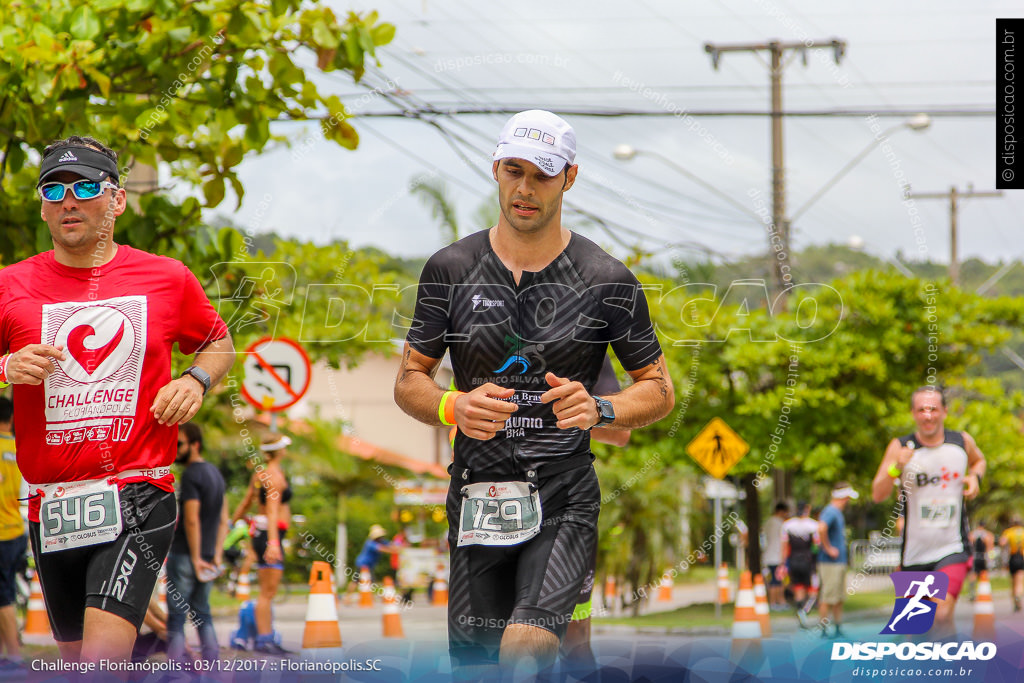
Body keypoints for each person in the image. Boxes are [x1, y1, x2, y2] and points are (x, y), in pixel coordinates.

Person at [394, 109, 674, 678]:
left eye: (542, 175)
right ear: (496, 169)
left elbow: (659, 390)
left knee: (527, 644)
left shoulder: (606, 280)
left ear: (569, 178)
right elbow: (409, 381)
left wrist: (601, 407)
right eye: (514, 171)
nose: (524, 189)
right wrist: (454, 404)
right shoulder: (450, 268)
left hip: (563, 495)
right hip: (477, 495)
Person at [0, 136, 233, 668]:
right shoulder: (11, 285)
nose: (68, 200)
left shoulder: (167, 277)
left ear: (118, 200)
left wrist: (195, 380)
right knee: (80, 662)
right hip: (50, 502)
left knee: (101, 662)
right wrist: (5, 368)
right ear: (41, 204)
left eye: (85, 186)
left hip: (136, 489)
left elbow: (218, 341)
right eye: (53, 189)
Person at [871, 386, 986, 637]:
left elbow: (979, 461)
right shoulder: (900, 446)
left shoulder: (961, 442)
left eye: (933, 408)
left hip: (952, 547)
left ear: (944, 411)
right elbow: (877, 494)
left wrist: (974, 477)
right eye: (921, 409)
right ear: (913, 413)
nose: (928, 415)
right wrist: (895, 468)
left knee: (942, 615)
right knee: (915, 629)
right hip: (914, 554)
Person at [560, 356, 631, 671]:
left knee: (575, 644)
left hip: (564, 510)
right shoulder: (474, 334)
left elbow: (620, 432)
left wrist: (580, 413)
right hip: (485, 508)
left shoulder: (586, 344)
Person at [165, 422, 228, 663]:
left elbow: (191, 520)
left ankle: (175, 669)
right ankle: (212, 666)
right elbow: (224, 520)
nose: (176, 449)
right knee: (203, 613)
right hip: (209, 556)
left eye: (180, 444)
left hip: (186, 555)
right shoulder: (215, 474)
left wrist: (195, 557)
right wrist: (216, 554)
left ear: (195, 445)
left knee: (177, 617)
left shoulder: (192, 474)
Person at [230, 433, 293, 654]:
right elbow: (274, 512)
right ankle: (265, 639)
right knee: (268, 592)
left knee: (266, 591)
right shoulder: (274, 476)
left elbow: (248, 500)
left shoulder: (260, 473)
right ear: (280, 451)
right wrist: (274, 543)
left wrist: (232, 522)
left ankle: (265, 637)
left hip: (263, 534)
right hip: (270, 535)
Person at [0, 397, 26, 676]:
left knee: (4, 596)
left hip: (2, 533)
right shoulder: (18, 447)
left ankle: (15, 658)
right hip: (17, 529)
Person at [817, 483, 858, 638]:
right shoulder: (830, 511)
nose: (847, 501)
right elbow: (821, 528)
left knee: (839, 596)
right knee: (828, 595)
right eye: (847, 498)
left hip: (838, 562)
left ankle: (838, 626)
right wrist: (828, 548)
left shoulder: (837, 513)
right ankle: (823, 628)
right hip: (830, 562)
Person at [781, 501, 818, 626]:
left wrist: (783, 563)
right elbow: (816, 545)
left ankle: (799, 608)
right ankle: (805, 610)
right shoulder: (813, 525)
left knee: (798, 586)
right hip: (808, 560)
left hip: (793, 559)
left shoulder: (788, 525)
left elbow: (785, 546)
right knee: (812, 587)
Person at [763, 501, 789, 610]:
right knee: (777, 580)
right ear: (782, 511)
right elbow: (784, 541)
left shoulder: (768, 522)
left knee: (773, 580)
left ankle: (775, 602)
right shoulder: (781, 524)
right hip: (777, 556)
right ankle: (775, 602)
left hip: (768, 555)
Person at [999, 516, 1024, 612]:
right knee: (1020, 581)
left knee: (1013, 581)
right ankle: (1018, 595)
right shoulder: (1023, 532)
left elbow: (1002, 542)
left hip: (1012, 557)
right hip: (1021, 557)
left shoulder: (1009, 532)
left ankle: (1015, 600)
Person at [967, 520, 994, 600]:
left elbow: (969, 545)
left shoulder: (972, 534)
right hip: (983, 557)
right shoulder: (988, 535)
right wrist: (990, 559)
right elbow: (990, 547)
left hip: (975, 557)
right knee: (984, 574)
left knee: (973, 575)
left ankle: (972, 592)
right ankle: (983, 591)